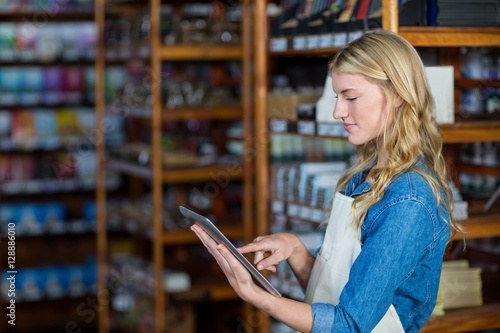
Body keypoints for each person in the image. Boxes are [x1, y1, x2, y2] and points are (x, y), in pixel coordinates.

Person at [191, 29, 462, 332]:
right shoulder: (363, 177)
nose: (337, 111)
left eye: (351, 97)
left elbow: (349, 324)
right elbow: (333, 293)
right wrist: (295, 249)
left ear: (398, 94)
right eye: (337, 96)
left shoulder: (408, 200)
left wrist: (254, 294)